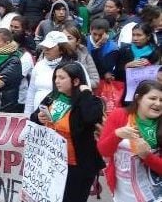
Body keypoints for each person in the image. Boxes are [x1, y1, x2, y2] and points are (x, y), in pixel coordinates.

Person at [31, 62, 105, 202]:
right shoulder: (52, 96)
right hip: (53, 161)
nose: (56, 81)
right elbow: (34, 117)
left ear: (76, 80)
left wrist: (86, 93)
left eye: (62, 77)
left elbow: (90, 118)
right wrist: (39, 118)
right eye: (56, 77)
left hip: (78, 165)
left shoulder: (91, 101)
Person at [97, 80, 162, 201]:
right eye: (153, 98)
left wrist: (147, 156)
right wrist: (117, 135)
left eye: (161, 100)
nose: (158, 104)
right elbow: (104, 151)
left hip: (155, 193)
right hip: (123, 190)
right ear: (138, 98)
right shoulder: (119, 115)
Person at [24, 31, 78, 115]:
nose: (45, 50)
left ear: (61, 49)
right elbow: (31, 91)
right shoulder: (39, 65)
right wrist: (28, 114)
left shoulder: (74, 66)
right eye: (44, 47)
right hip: (37, 118)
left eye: (50, 47)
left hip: (62, 118)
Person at [116, 23, 160, 106]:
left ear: (148, 37)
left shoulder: (156, 52)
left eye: (139, 35)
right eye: (133, 35)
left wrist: (150, 67)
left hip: (148, 92)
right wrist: (127, 66)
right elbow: (117, 74)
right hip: (128, 92)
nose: (135, 38)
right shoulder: (125, 50)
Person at [62, 24, 100, 88]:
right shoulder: (53, 53)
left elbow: (95, 81)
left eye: (69, 38)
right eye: (62, 38)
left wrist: (77, 83)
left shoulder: (85, 55)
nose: (65, 41)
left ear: (78, 41)